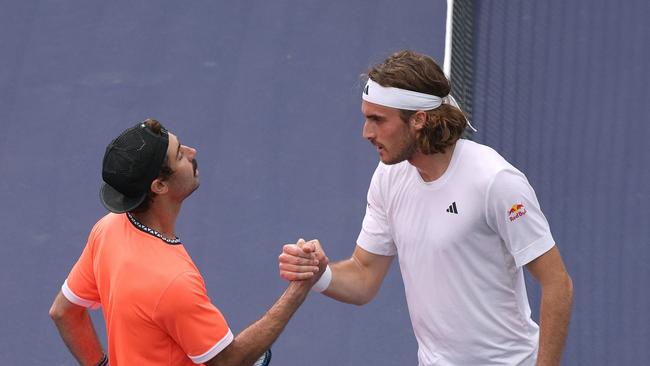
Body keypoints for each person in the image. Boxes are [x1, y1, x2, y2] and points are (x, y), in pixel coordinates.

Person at [279, 50, 573, 365]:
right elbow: (364, 276)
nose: (367, 133)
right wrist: (320, 274)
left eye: (378, 120)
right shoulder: (388, 177)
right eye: (366, 118)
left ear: (418, 120)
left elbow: (558, 283)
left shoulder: (495, 181)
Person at [49, 119, 321, 365]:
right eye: (179, 154)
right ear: (159, 186)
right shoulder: (173, 281)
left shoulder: (107, 229)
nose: (192, 153)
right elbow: (227, 362)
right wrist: (299, 288)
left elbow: (64, 312)